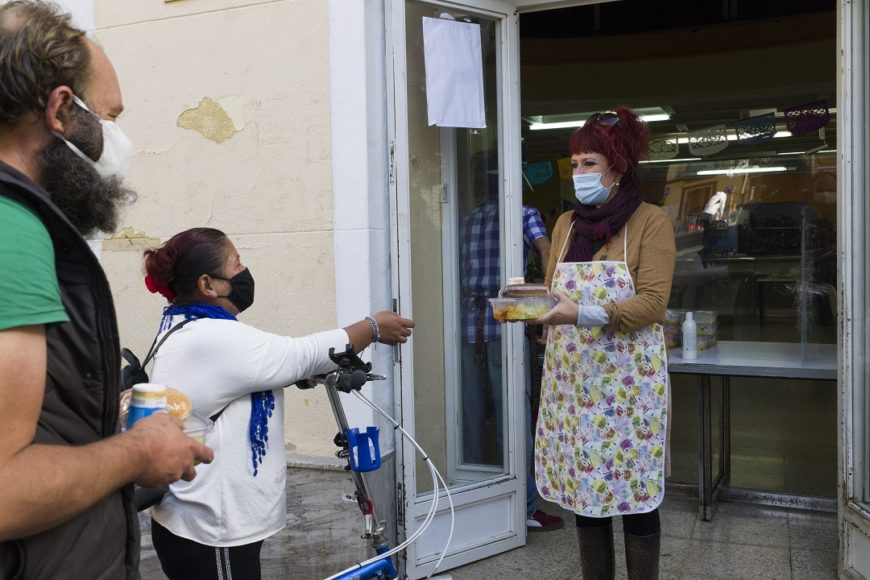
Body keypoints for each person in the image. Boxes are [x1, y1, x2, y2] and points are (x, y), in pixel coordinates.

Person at [0, 3, 213, 579]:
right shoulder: (12, 230)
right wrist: (139, 452)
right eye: (110, 116)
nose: (118, 142)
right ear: (62, 108)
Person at [140, 227, 415, 580]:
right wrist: (373, 327)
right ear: (208, 285)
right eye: (236, 264)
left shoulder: (189, 323)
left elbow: (259, 369)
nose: (244, 272)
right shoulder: (209, 336)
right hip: (211, 527)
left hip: (210, 520)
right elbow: (298, 355)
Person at [532, 108, 675, 579]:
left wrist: (584, 314)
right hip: (575, 386)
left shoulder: (650, 221)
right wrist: (530, 307)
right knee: (586, 496)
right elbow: (556, 292)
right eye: (573, 165)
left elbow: (653, 303)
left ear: (618, 166)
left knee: (634, 496)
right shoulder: (566, 225)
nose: (579, 175)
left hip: (628, 390)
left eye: (588, 164)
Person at [459, 150, 563, 533]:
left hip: (469, 321)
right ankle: (525, 504)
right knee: (513, 415)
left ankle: (470, 490)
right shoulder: (523, 213)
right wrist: (550, 295)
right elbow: (546, 249)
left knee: (468, 412)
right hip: (506, 318)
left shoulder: (467, 219)